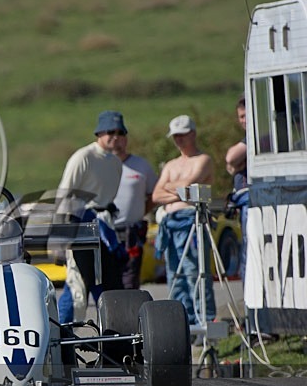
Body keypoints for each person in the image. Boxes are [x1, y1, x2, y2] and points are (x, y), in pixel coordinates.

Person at [56, 110, 126, 323]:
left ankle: (113, 334)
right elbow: (64, 194)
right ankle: (62, 335)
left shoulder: (115, 163)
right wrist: (62, 236)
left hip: (104, 228)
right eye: (110, 131)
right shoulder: (83, 157)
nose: (114, 136)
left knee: (109, 286)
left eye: (120, 132)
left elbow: (108, 198)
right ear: (99, 133)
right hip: (80, 225)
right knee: (78, 284)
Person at [152, 115, 215, 326]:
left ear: (193, 134)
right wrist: (180, 192)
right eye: (176, 136)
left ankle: (202, 318)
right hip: (171, 222)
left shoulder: (203, 160)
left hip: (192, 220)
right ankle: (182, 321)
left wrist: (172, 187)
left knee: (194, 271)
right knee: (175, 274)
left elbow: (189, 184)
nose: (179, 140)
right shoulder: (171, 165)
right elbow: (156, 195)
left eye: (182, 135)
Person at [111, 128, 158, 289]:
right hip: (106, 231)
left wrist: (140, 211)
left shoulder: (141, 165)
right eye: (112, 135)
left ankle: (130, 314)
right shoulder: (99, 165)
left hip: (132, 231)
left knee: (130, 281)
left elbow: (154, 195)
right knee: (108, 281)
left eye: (121, 135)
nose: (117, 139)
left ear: (126, 139)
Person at [225, 96, 248, 280]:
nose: (243, 120)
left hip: (252, 201)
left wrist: (235, 164)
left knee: (249, 253)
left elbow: (231, 158)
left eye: (247, 116)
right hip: (242, 202)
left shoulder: (257, 137)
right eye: (240, 116)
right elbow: (231, 167)